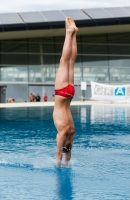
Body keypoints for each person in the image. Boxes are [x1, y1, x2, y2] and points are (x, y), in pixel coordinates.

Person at [53, 17, 78, 167]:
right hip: (62, 94)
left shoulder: (72, 132)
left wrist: (67, 163)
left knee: (71, 62)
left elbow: (68, 153)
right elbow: (59, 152)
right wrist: (58, 164)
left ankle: (73, 33)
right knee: (64, 61)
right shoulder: (62, 132)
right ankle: (69, 33)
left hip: (69, 94)